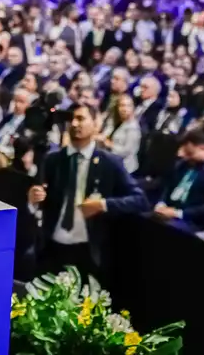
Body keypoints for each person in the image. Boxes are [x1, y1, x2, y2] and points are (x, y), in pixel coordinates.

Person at [27, 103, 148, 283]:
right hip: (52, 246)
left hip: (88, 251)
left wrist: (103, 205)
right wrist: (33, 201)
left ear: (95, 123)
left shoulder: (110, 163)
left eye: (81, 118)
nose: (75, 124)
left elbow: (140, 200)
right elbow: (41, 200)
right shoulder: (53, 160)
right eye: (71, 120)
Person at [152, 128, 204, 233]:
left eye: (189, 152)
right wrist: (161, 203)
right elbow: (168, 185)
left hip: (193, 221)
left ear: (203, 147)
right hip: (169, 211)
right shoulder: (184, 164)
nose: (184, 156)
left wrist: (178, 213)